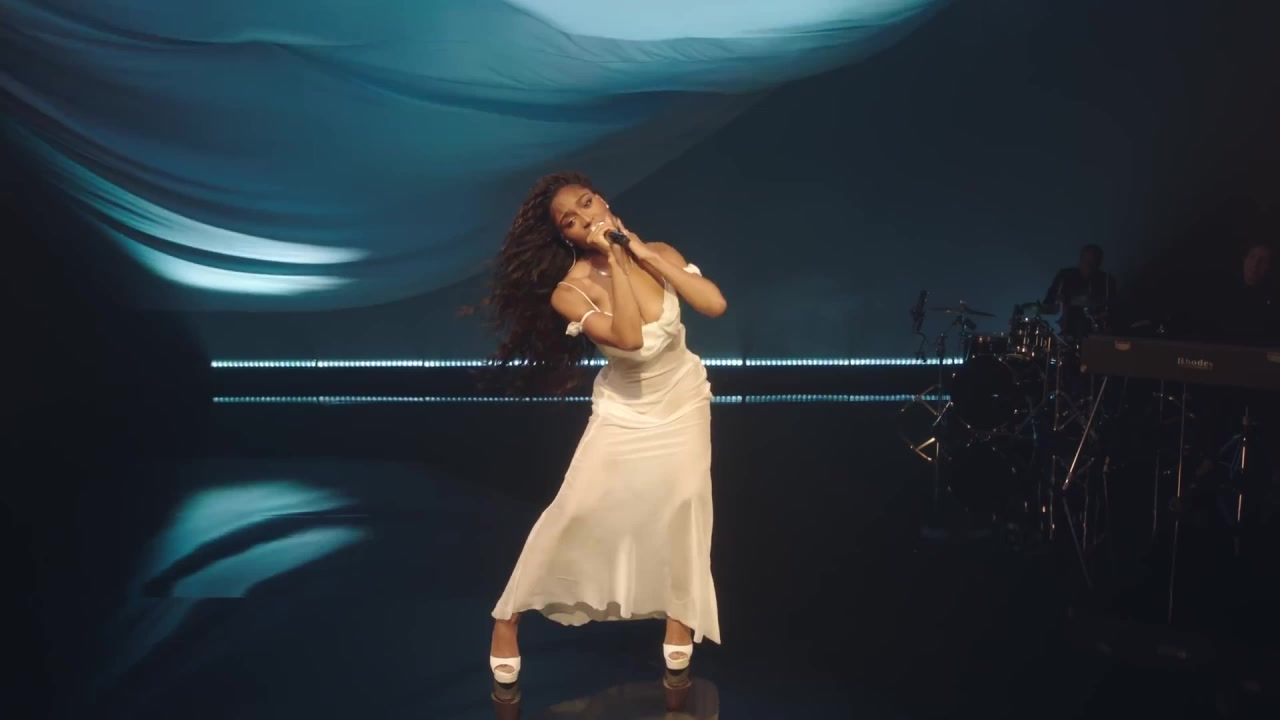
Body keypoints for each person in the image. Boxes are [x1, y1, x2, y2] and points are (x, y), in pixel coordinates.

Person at [484, 172, 727, 690]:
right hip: (624, 409)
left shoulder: (657, 252)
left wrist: (644, 254)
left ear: (604, 202)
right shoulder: (569, 292)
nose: (585, 219)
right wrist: (617, 262)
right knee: (577, 507)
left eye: (587, 204)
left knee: (685, 501)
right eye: (570, 221)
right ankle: (507, 617)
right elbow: (630, 339)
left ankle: (679, 616)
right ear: (567, 237)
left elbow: (714, 305)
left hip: (682, 397)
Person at [1040, 244, 1118, 339]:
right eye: (1085, 261)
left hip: (1095, 334)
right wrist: (1056, 302)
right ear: (1080, 260)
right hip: (1065, 332)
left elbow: (1113, 309)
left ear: (1099, 263)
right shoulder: (1065, 276)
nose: (1088, 265)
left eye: (1092, 263)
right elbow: (1048, 303)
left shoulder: (1107, 281)